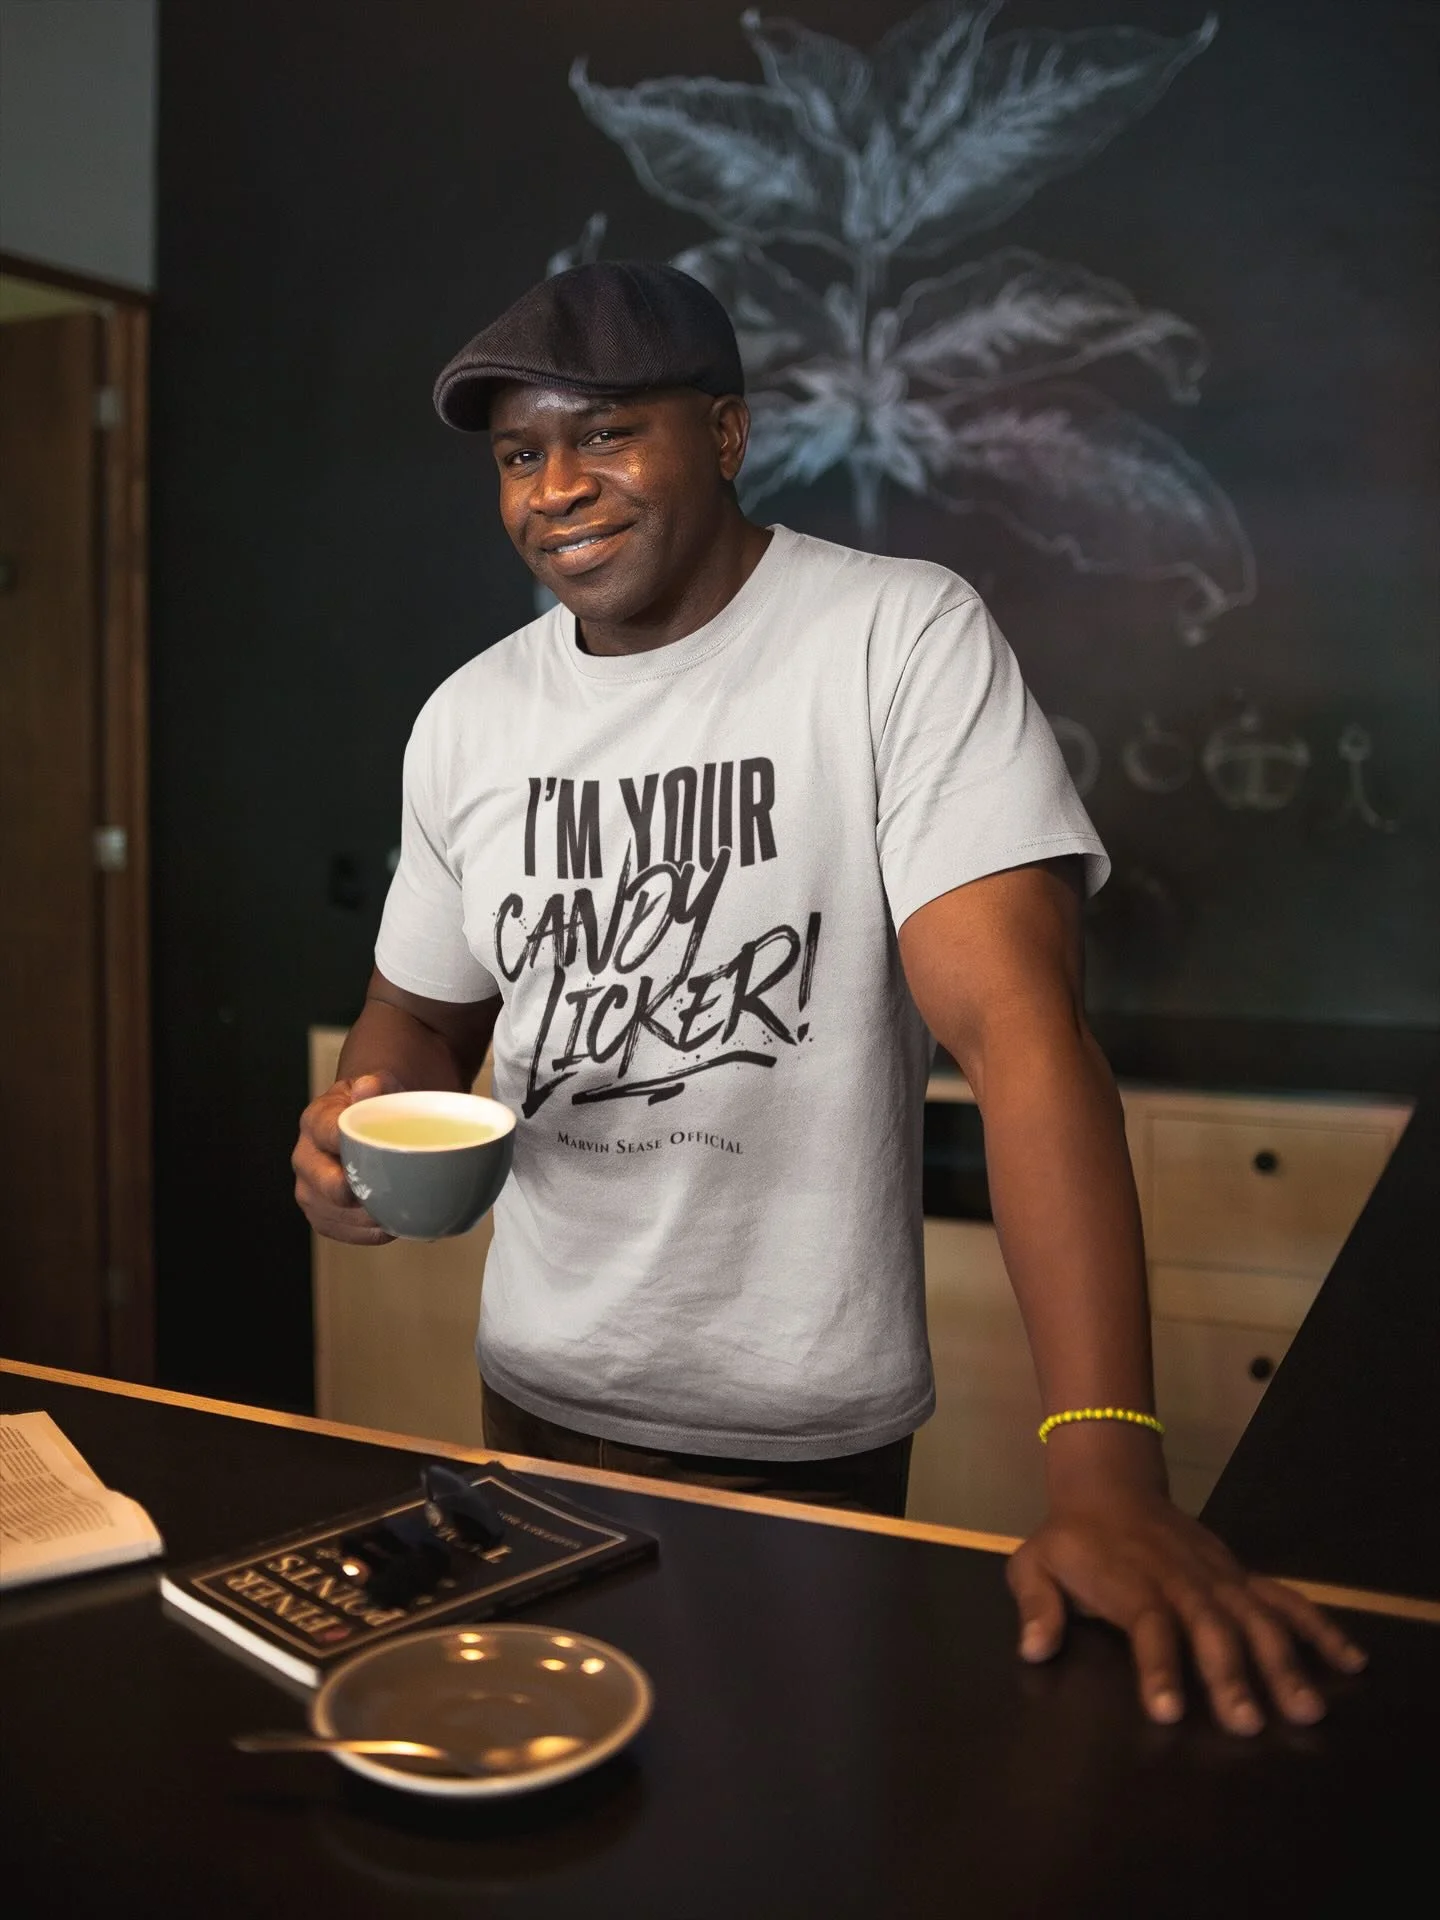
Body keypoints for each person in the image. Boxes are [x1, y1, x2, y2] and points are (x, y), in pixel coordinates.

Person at [293, 261, 1365, 1735]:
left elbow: (1021, 1039)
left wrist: (1106, 1473)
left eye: (607, 434)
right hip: (532, 1403)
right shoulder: (471, 716)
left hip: (798, 1432)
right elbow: (416, 1019)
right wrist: (349, 1129)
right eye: (519, 453)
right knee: (571, 1816)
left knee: (787, 1814)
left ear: (724, 435)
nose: (557, 487)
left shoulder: (896, 640)